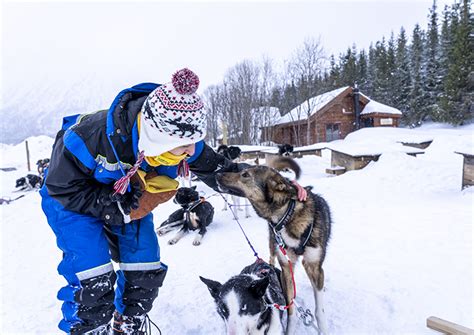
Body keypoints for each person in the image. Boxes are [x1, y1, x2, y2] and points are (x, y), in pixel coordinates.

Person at [40, 69, 247, 334]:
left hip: (130, 199)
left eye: (195, 141)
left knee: (145, 266)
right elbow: (60, 187)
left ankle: (128, 324)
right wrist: (109, 203)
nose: (192, 151)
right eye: (185, 145)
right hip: (72, 199)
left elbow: (223, 172)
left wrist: (277, 189)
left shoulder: (181, 138)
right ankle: (91, 328)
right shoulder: (89, 136)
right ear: (158, 138)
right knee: (93, 277)